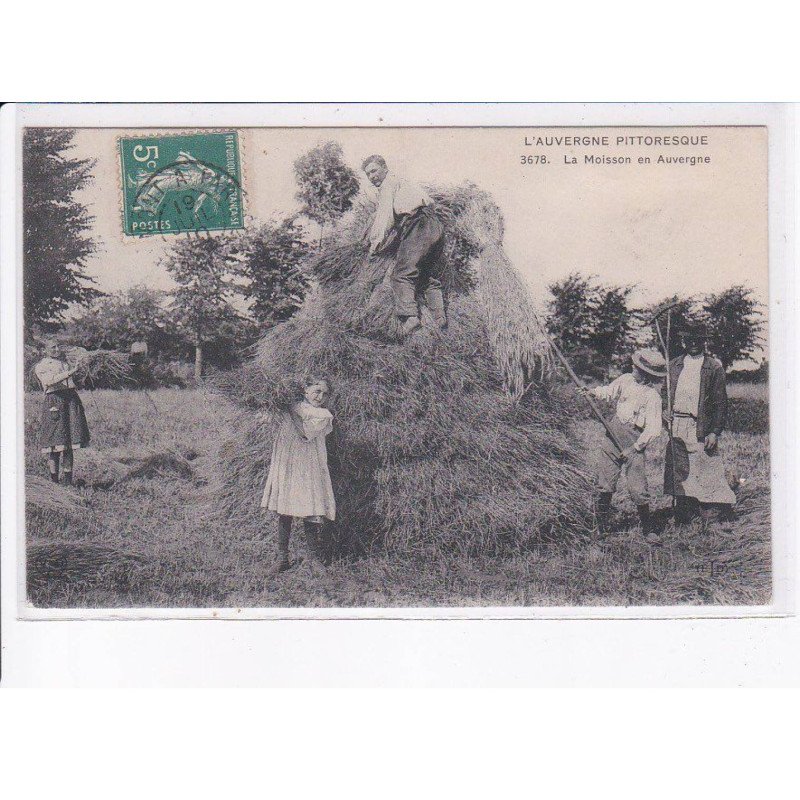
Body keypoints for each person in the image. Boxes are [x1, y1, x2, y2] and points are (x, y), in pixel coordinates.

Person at [582, 349, 667, 543]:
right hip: (612, 435)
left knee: (638, 488)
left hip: (634, 441)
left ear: (646, 373)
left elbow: (653, 429)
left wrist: (635, 448)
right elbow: (609, 391)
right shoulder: (626, 379)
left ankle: (648, 530)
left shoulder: (653, 396)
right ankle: (600, 527)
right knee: (605, 482)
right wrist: (592, 392)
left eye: (637, 367)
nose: (632, 368)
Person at [362, 154, 447, 335]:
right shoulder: (404, 182)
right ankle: (439, 318)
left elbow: (385, 217)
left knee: (401, 274)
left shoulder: (388, 184)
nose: (372, 177)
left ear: (385, 168)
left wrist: (375, 244)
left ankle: (410, 317)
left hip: (417, 224)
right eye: (368, 174)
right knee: (427, 275)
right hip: (435, 224)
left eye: (374, 171)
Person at [260, 376, 336, 577]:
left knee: (310, 508)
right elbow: (265, 417)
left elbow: (304, 433)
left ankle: (313, 558)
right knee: (285, 510)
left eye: (325, 393)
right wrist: (281, 404)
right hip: (287, 462)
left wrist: (290, 409)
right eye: (316, 391)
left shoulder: (322, 415)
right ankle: (282, 558)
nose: (320, 396)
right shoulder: (292, 405)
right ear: (305, 390)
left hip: (309, 465)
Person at [665, 323, 735, 528]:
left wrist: (714, 432)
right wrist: (664, 410)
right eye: (689, 340)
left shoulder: (713, 367)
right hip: (677, 423)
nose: (693, 344)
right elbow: (664, 394)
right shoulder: (674, 365)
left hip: (700, 425)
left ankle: (711, 508)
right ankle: (684, 507)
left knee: (705, 465)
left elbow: (720, 402)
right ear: (683, 342)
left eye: (698, 340)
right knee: (680, 467)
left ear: (704, 342)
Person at [34, 338, 90, 486]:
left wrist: (80, 370)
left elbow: (72, 381)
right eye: (53, 347)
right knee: (55, 443)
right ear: (44, 350)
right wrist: (71, 371)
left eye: (58, 346)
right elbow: (50, 381)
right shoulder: (42, 366)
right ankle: (54, 482)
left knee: (69, 443)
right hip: (55, 401)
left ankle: (67, 481)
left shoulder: (64, 363)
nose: (57, 349)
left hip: (70, 400)